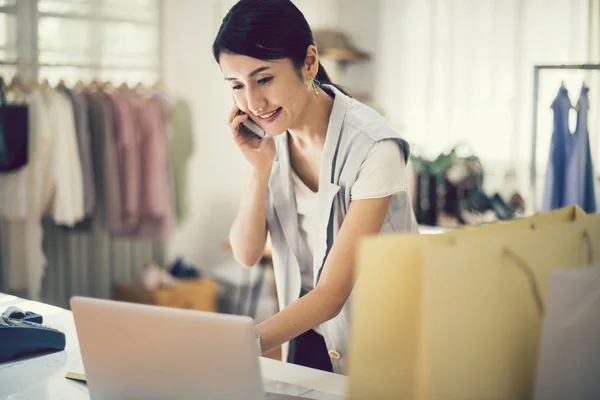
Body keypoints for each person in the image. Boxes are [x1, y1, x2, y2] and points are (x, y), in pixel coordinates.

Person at [212, 0, 418, 375]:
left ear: (308, 62)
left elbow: (331, 295)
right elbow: (246, 253)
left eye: (264, 79)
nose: (253, 102)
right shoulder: (273, 140)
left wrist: (241, 345)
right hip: (307, 336)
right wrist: (259, 170)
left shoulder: (374, 148)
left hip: (378, 345)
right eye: (237, 86)